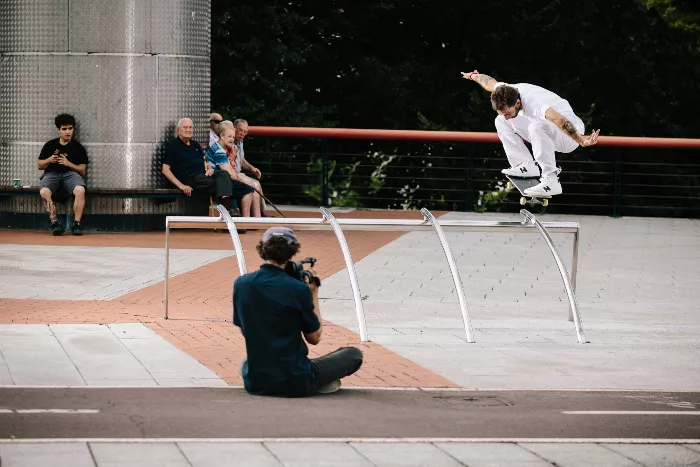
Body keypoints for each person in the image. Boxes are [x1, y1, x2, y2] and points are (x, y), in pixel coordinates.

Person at [233, 227, 363, 397]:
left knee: (247, 362)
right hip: (295, 380)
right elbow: (314, 338)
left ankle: (308, 379)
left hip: (256, 381)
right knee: (353, 354)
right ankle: (317, 382)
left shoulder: (241, 284)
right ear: (291, 252)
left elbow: (245, 330)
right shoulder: (297, 289)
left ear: (262, 249)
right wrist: (313, 293)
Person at [462, 70, 600, 196]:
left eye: (508, 113)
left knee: (536, 125)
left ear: (517, 102)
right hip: (548, 131)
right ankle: (525, 165)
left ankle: (551, 180)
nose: (507, 116)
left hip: (568, 137)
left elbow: (560, 120)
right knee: (500, 121)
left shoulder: (534, 103)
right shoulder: (505, 92)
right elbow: (489, 83)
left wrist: (581, 140)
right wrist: (473, 76)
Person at [162, 118, 254, 218]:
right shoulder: (172, 145)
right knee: (225, 185)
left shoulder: (195, 144)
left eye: (190, 127)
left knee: (225, 175)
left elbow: (205, 161)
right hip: (190, 178)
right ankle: (229, 209)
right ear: (178, 130)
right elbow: (165, 169)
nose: (189, 129)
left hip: (205, 177)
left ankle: (230, 210)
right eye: (185, 127)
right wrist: (181, 186)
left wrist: (210, 169)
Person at [37, 114, 89, 236]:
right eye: (64, 129)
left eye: (70, 128)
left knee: (80, 190)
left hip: (70, 174)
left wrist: (68, 163)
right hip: (52, 174)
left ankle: (76, 224)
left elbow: (82, 170)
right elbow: (40, 165)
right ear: (58, 130)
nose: (67, 132)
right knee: (44, 192)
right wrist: (49, 160)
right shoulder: (50, 145)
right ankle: (55, 223)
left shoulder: (78, 147)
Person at [204, 121, 261, 217]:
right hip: (218, 184)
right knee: (248, 190)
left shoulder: (222, 148)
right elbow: (228, 173)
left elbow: (231, 170)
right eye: (229, 137)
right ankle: (246, 221)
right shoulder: (219, 151)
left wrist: (242, 180)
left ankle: (252, 219)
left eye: (233, 137)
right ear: (222, 136)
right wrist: (245, 181)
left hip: (223, 181)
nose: (232, 139)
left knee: (249, 189)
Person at [232, 119, 269, 215]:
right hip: (233, 173)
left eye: (245, 132)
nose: (242, 134)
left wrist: (251, 168)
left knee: (257, 184)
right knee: (255, 184)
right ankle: (257, 214)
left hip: (238, 172)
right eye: (240, 130)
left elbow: (241, 160)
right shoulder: (230, 141)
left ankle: (259, 213)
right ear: (234, 128)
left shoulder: (240, 141)